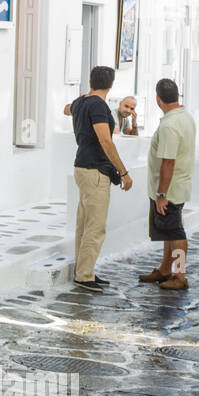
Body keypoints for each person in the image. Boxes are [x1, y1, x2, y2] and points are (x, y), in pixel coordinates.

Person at [62, 66, 134, 294]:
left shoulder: (82, 101)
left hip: (81, 167)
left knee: (84, 224)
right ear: (111, 85)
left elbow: (66, 110)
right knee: (95, 226)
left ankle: (85, 270)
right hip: (95, 171)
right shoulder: (98, 106)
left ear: (91, 81)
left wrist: (78, 101)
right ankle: (84, 276)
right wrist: (123, 172)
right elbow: (106, 140)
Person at [139, 78, 196, 291]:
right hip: (177, 184)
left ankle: (180, 275)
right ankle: (165, 270)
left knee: (176, 233)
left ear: (158, 99)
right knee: (168, 231)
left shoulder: (170, 125)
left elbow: (168, 161)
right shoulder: (185, 117)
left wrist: (161, 193)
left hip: (170, 189)